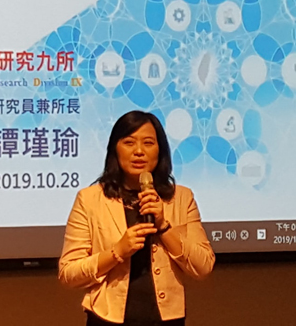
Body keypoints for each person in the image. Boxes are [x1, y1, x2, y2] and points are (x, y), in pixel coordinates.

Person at [59, 110, 215, 325]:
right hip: (106, 319)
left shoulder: (181, 198)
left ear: (160, 150)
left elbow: (203, 267)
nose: (139, 151)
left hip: (167, 320)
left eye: (148, 143)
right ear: (115, 149)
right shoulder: (90, 199)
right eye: (129, 142)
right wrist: (117, 252)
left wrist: (164, 226)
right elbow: (69, 273)